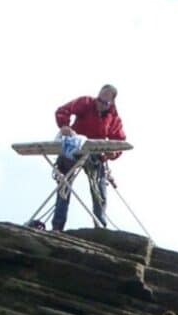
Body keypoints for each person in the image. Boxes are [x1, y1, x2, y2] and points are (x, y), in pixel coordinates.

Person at [52, 84, 126, 231]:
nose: (100, 104)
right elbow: (63, 111)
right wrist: (65, 126)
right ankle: (57, 226)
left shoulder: (113, 118)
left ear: (111, 103)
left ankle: (100, 226)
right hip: (74, 147)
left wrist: (113, 153)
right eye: (99, 100)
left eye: (105, 103)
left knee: (98, 187)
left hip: (96, 154)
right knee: (64, 184)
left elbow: (120, 141)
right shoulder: (86, 102)